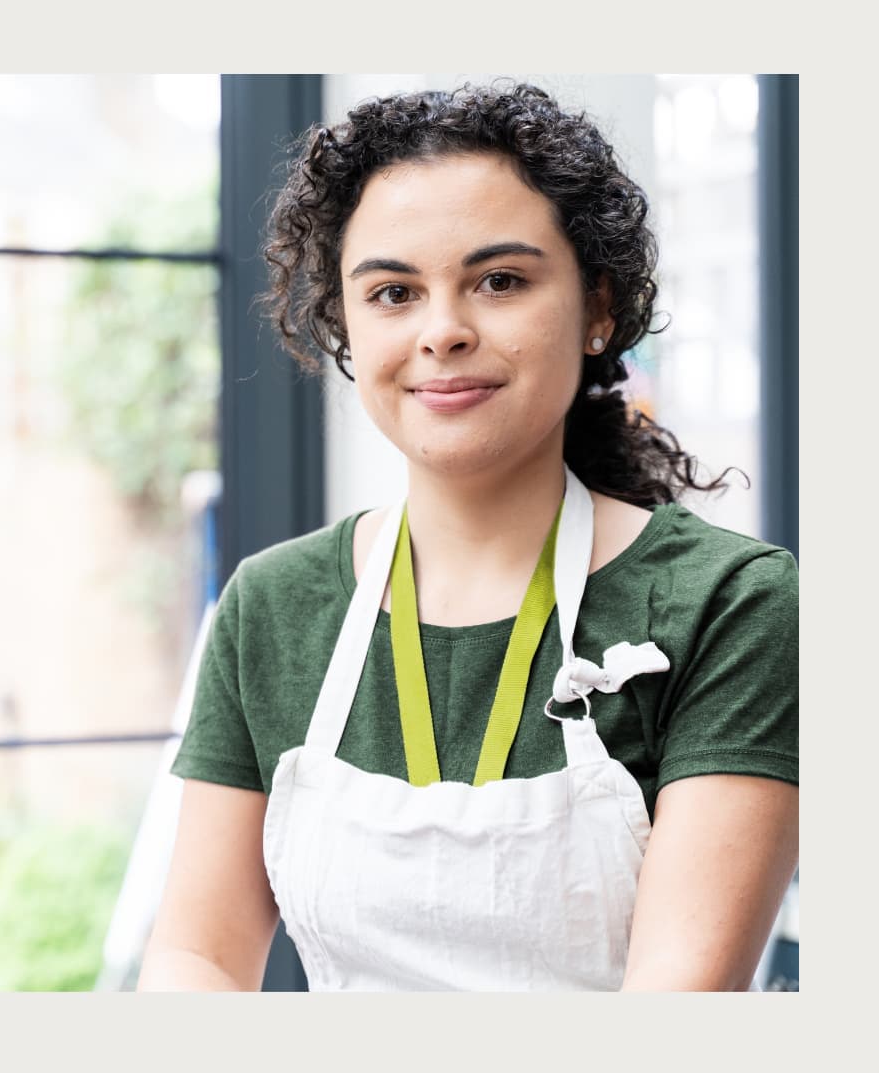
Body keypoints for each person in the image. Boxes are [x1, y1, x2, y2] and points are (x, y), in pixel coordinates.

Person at [137, 81, 799, 992]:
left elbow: (678, 1003)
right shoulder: (273, 605)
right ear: (346, 324)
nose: (442, 332)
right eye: (394, 292)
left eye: (500, 281)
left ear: (598, 306)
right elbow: (197, 953)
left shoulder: (733, 606)